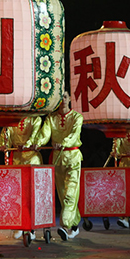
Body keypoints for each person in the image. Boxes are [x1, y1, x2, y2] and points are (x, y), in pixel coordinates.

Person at [38, 91, 83, 241]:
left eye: (65, 96)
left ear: (70, 98)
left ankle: (65, 226)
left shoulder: (77, 117)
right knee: (63, 196)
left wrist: (63, 143)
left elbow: (74, 135)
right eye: (60, 97)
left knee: (71, 193)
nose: (63, 99)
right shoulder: (51, 118)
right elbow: (45, 134)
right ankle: (75, 225)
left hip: (73, 158)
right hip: (57, 159)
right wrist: (37, 143)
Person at [0, 114, 46, 240]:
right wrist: (4, 144)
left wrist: (27, 144)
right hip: (16, 159)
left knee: (31, 195)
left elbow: (34, 135)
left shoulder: (35, 118)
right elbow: (5, 135)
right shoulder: (11, 119)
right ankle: (19, 225)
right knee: (17, 195)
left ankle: (31, 228)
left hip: (31, 159)